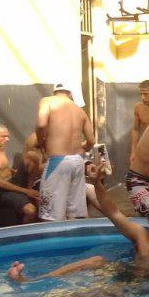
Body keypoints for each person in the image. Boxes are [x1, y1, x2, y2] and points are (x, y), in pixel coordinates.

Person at [7, 163, 149, 283]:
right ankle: (33, 281)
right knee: (97, 261)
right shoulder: (142, 237)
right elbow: (113, 212)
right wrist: (97, 184)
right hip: (127, 280)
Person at [36, 82, 96, 221]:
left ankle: (53, 236)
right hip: (78, 161)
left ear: (54, 92)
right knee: (75, 214)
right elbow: (91, 140)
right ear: (71, 94)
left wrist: (41, 143)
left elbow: (41, 124)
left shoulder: (47, 101)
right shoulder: (80, 111)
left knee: (50, 215)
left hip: (57, 161)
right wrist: (85, 147)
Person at [0, 121, 39, 224]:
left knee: (32, 156)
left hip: (12, 182)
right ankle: (22, 232)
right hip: (1, 191)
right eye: (4, 136)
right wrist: (26, 191)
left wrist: (13, 171)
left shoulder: (0, 149)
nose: (7, 139)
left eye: (8, 136)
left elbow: (2, 168)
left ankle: (30, 187)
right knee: (31, 211)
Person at [129, 80, 149, 163]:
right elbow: (135, 129)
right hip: (146, 147)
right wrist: (133, 151)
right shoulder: (138, 107)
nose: (142, 97)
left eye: (145, 94)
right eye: (141, 94)